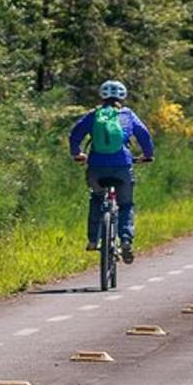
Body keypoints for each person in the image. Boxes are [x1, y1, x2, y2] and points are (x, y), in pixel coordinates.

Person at [68, 80, 154, 264]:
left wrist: (77, 154)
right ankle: (125, 239)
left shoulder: (94, 115)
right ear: (123, 97)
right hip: (122, 166)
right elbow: (144, 136)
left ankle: (93, 239)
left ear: (102, 96)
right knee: (126, 205)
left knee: (97, 198)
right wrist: (148, 155)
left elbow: (75, 135)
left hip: (96, 167)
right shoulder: (127, 115)